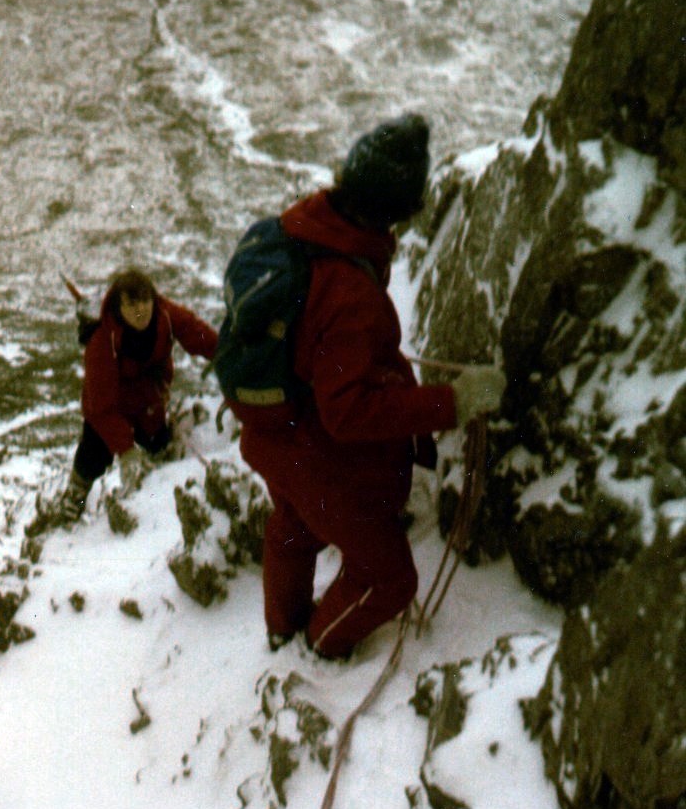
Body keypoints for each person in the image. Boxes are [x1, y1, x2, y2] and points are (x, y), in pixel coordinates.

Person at [230, 112, 506, 658]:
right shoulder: (350, 291)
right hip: (314, 450)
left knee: (294, 525)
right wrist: (453, 402)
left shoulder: (307, 226)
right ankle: (317, 646)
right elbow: (348, 414)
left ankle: (281, 627)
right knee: (390, 579)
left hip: (273, 430)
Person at [58, 267, 218, 523]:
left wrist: (221, 352)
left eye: (146, 301)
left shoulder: (163, 314)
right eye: (132, 304)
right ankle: (74, 495)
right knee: (94, 451)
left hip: (148, 398)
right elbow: (100, 407)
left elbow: (191, 329)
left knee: (157, 445)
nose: (141, 310)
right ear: (118, 307)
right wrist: (126, 450)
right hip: (110, 404)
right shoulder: (102, 341)